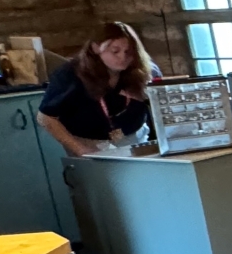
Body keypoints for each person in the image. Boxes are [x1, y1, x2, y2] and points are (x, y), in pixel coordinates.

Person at [37, 22, 159, 157]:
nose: (123, 57)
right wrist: (81, 149)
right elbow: (45, 118)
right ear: (96, 48)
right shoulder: (70, 74)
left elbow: (161, 106)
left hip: (135, 137)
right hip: (88, 143)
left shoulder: (146, 71)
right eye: (115, 51)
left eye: (129, 51)